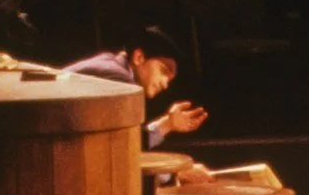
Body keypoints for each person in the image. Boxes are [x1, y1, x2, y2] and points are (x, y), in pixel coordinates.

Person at [64, 26, 207, 148]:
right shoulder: (118, 79)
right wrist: (173, 174)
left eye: (169, 80)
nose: (165, 84)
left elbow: (126, 142)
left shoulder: (114, 68)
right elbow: (122, 149)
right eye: (163, 71)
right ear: (139, 57)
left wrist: (168, 124)